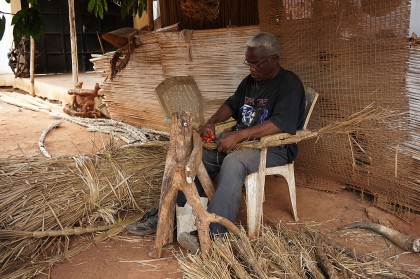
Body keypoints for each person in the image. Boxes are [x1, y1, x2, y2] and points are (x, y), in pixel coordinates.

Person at [127, 32, 305, 252]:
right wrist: (211, 122)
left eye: (256, 63)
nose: (251, 69)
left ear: (274, 59)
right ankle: (168, 215)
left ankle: (215, 235)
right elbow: (232, 105)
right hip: (243, 142)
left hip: (273, 148)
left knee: (234, 162)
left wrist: (238, 135)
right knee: (197, 158)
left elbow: (280, 123)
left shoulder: (289, 84)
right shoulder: (251, 81)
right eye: (248, 63)